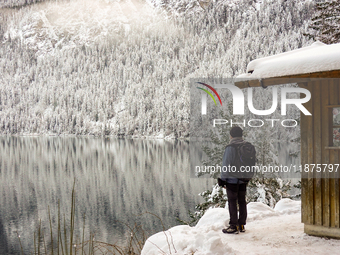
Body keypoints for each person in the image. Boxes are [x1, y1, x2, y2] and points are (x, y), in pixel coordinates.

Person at [221, 126, 247, 234]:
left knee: (232, 202)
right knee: (242, 201)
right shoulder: (246, 146)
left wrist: (223, 180)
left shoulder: (230, 147)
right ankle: (241, 225)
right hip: (243, 179)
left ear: (231, 135)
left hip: (232, 180)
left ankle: (233, 226)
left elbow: (226, 165)